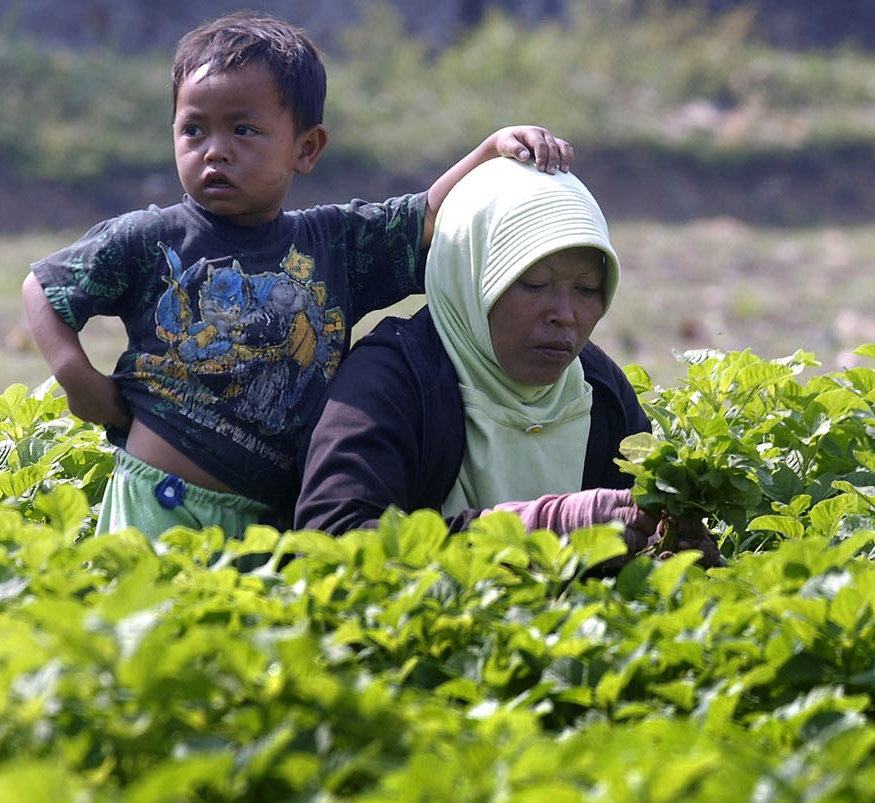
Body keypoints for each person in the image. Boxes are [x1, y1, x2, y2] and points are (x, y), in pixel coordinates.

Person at [21, 12, 574, 538]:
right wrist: (76, 378)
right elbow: (43, 289)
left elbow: (426, 215)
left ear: (306, 148)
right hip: (161, 501)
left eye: (243, 130)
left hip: (275, 518)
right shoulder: (148, 237)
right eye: (194, 130)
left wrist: (494, 147)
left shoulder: (335, 244)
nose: (216, 152)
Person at [295, 157, 718, 566]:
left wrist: (675, 552)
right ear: (473, 274)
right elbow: (330, 544)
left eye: (587, 290)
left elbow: (638, 548)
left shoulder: (599, 392)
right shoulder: (394, 381)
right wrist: (541, 529)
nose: (565, 314)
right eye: (534, 284)